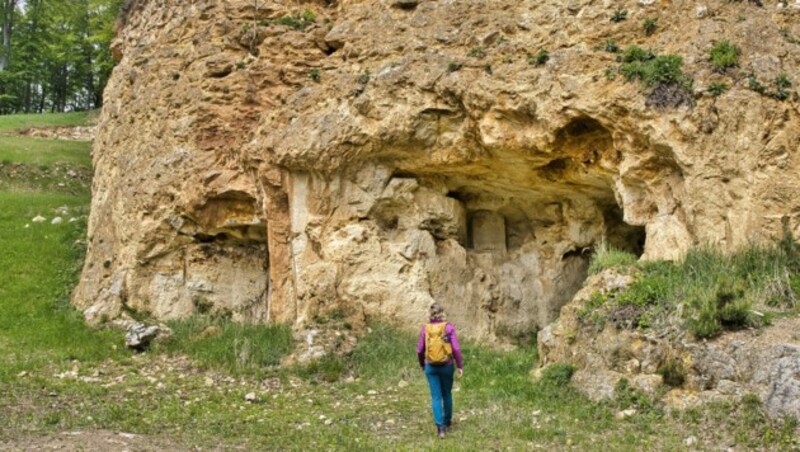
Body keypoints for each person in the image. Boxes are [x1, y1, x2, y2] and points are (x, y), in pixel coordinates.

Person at [417, 303, 463, 439]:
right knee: (447, 394)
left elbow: (420, 350)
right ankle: (447, 422)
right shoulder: (448, 328)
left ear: (430, 315)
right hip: (447, 365)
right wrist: (459, 365)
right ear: (443, 314)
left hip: (430, 366)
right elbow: (456, 349)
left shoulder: (425, 329)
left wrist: (422, 365)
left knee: (436, 396)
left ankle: (440, 429)